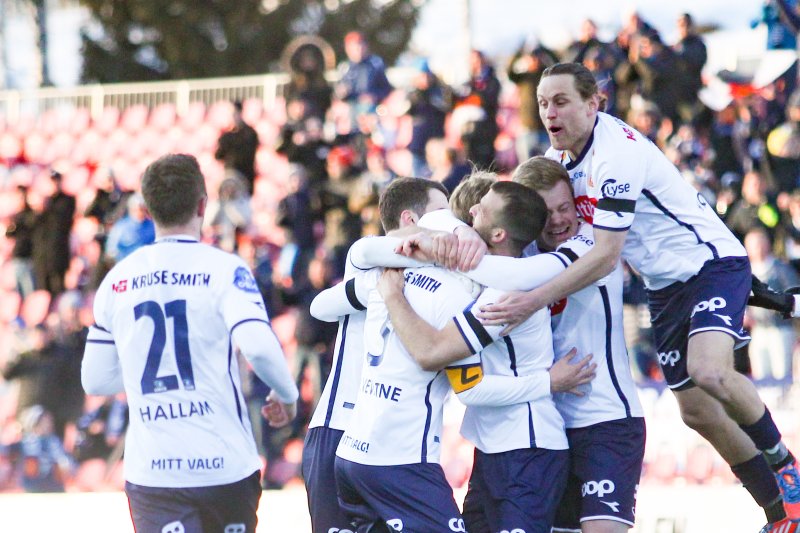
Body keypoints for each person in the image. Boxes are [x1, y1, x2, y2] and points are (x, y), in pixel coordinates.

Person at [477, 62, 800, 532]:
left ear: (594, 103)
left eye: (561, 101)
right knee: (695, 412)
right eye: (544, 103)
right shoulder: (557, 161)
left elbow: (606, 255)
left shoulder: (615, 156)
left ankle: (787, 469)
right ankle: (778, 512)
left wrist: (531, 300)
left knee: (708, 371)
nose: (549, 111)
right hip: (664, 285)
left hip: (707, 264)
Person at [81, 154, 299, 533]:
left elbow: (96, 381)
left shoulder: (117, 281)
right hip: (224, 467)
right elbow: (260, 348)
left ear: (147, 210)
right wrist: (287, 395)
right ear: (202, 205)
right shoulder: (224, 268)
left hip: (154, 473)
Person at [375, 179, 596, 533]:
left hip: (527, 450)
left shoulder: (503, 296)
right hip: (494, 451)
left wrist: (548, 382)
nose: (472, 210)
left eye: (484, 208)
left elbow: (470, 389)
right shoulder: (489, 277)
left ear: (497, 236)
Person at [301, 177, 484, 533]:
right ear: (409, 221)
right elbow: (320, 305)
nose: (448, 227)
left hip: (387, 440)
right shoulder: (370, 260)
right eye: (439, 215)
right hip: (338, 428)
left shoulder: (444, 282)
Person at [214, 101, 260, 195]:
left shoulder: (249, 133)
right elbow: (218, 155)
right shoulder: (227, 135)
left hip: (244, 178)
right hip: (230, 176)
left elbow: (246, 155)